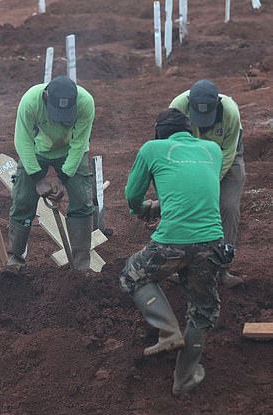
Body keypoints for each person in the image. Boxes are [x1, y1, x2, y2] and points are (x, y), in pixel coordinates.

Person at [120, 109, 230, 396]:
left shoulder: (152, 148)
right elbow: (195, 186)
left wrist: (141, 209)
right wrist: (164, 204)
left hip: (172, 241)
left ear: (159, 133)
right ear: (190, 132)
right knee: (203, 311)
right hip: (212, 242)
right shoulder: (213, 150)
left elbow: (132, 195)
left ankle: (168, 331)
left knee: (133, 274)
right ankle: (184, 379)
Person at [4, 75, 95, 275]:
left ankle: (81, 267)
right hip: (37, 151)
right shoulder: (30, 101)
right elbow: (23, 141)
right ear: (46, 97)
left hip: (71, 151)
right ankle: (14, 261)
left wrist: (64, 178)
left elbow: (80, 143)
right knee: (22, 201)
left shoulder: (85, 102)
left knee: (82, 201)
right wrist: (37, 178)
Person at [169, 80, 245, 288]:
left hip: (225, 158)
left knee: (228, 207)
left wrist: (209, 183)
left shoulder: (230, 111)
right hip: (187, 159)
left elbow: (229, 153)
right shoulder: (177, 107)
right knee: (183, 205)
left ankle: (222, 268)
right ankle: (181, 265)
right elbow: (170, 149)